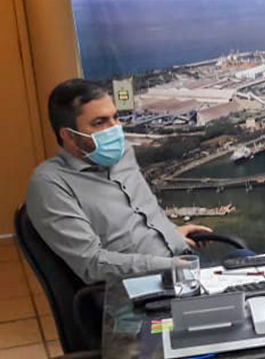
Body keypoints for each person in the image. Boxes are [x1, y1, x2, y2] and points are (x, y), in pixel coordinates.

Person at [25, 78, 216, 284]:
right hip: (136, 287)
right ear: (69, 135)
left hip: (182, 263)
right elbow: (93, 264)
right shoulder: (50, 184)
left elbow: (141, 215)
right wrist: (171, 265)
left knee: (240, 267)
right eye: (100, 122)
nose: (115, 128)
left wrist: (170, 234)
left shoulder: (123, 152)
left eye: (115, 117)